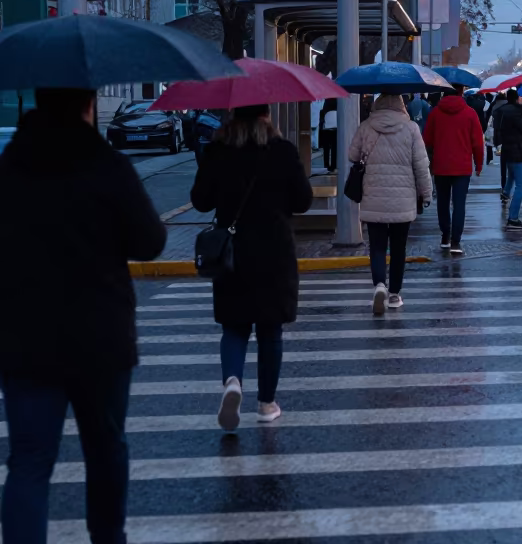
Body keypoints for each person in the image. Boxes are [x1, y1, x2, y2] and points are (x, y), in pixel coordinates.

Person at [0, 88, 166, 544]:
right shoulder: (107, 166)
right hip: (101, 336)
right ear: (89, 104)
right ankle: (108, 538)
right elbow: (150, 242)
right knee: (105, 447)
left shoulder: (10, 167)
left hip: (24, 337)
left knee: (29, 461)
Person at [191, 104, 313, 431]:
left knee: (234, 326)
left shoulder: (219, 149)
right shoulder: (282, 150)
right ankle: (266, 404)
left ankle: (232, 381)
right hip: (274, 252)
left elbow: (200, 200)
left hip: (232, 252)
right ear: (266, 115)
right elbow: (303, 200)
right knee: (270, 330)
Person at [349, 94, 434, 313]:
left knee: (377, 247)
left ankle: (379, 285)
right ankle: (395, 294)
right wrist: (426, 194)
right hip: (403, 200)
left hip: (373, 195)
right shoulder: (412, 128)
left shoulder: (366, 126)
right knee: (398, 248)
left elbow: (353, 154)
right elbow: (421, 166)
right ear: (401, 106)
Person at [423, 85, 485, 254]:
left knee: (442, 203)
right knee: (459, 204)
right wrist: (478, 164)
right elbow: (478, 143)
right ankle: (456, 242)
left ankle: (445, 235)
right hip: (462, 167)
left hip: (441, 165)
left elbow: (427, 139)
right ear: (460, 93)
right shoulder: (470, 113)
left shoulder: (435, 113)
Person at [492, 89, 522, 229]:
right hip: (517, 150)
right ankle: (513, 218)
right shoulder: (515, 112)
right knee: (521, 186)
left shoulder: (502, 110)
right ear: (517, 98)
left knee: (511, 175)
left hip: (508, 149)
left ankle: (506, 193)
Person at [319, 98, 338, 172]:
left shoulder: (325, 107)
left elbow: (322, 117)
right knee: (334, 148)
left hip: (326, 129)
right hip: (335, 129)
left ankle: (326, 164)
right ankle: (334, 165)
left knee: (326, 148)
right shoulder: (337, 105)